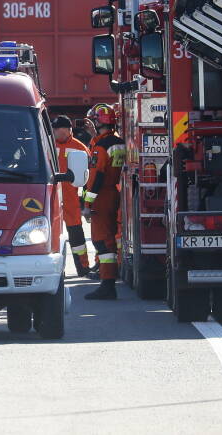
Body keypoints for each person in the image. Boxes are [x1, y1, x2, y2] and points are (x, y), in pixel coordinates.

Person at [83, 104, 126, 300]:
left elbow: (96, 176)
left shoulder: (101, 146)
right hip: (113, 192)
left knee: (102, 241)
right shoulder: (118, 142)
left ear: (99, 121)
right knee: (109, 239)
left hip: (101, 196)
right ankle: (108, 282)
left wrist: (87, 203)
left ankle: (107, 285)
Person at [52, 116, 92, 277]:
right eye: (54, 129)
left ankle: (83, 267)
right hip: (52, 196)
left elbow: (88, 177)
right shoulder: (48, 144)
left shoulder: (79, 147)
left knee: (76, 236)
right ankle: (52, 270)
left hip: (71, 198)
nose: (55, 132)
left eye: (58, 129)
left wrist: (86, 203)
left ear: (68, 130)